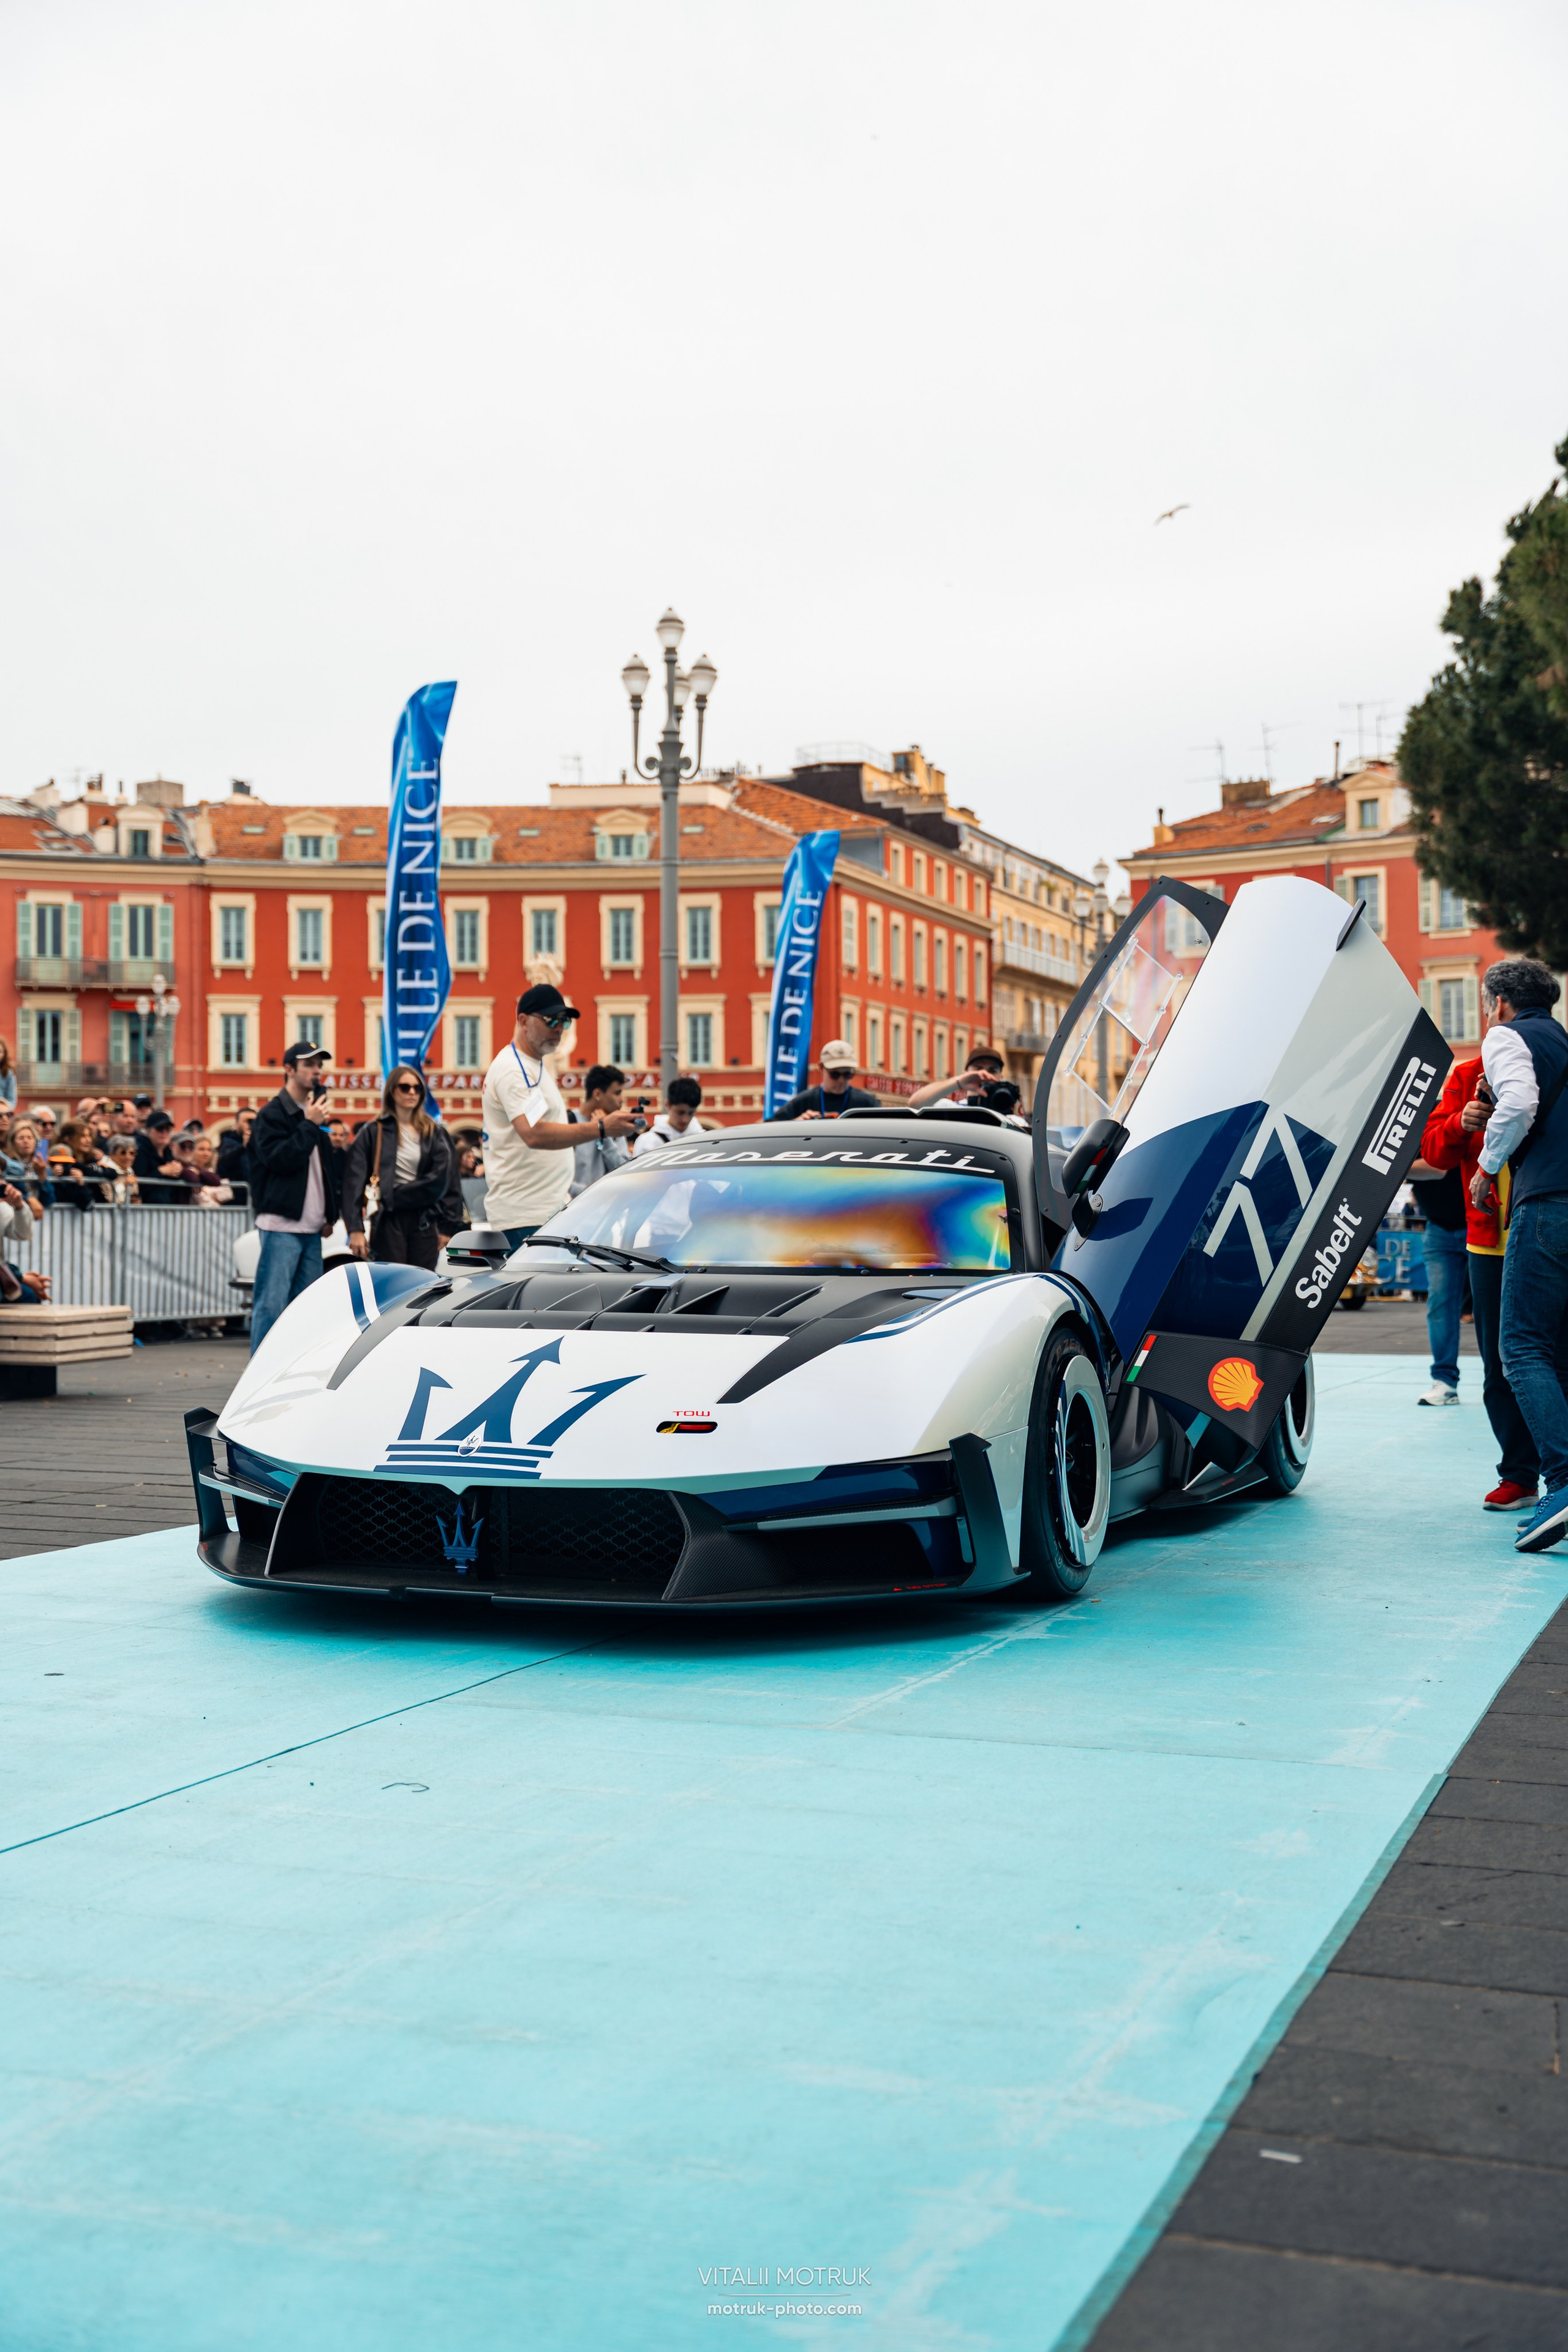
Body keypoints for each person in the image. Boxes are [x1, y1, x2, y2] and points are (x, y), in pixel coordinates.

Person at [1422, 1051, 1568, 1512]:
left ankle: (1556, 1481)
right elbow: (1434, 1151)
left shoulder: (1552, 1070)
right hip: (1491, 1241)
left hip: (1549, 1230)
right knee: (1500, 1366)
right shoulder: (1467, 1076)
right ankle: (1520, 1476)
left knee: (1553, 1359)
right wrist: (1462, 1122)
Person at [1466, 959, 1568, 1553]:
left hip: (1545, 1205)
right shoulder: (1560, 1040)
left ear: (1500, 1003)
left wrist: (1485, 1167)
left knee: (1520, 1348)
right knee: (1557, 1355)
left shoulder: (1506, 1037)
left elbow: (1519, 1103)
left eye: (1486, 1005)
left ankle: (1559, 1482)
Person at [480, 986, 638, 1250]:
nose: (559, 1028)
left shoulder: (531, 1065)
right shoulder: (513, 1070)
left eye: (565, 1021)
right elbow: (533, 1134)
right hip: (527, 1214)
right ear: (523, 1021)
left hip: (541, 1210)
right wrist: (601, 1128)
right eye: (550, 1020)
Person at [247, 1042, 337, 1351]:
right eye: (310, 1065)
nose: (317, 1071)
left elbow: (324, 1170)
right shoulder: (272, 1114)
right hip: (281, 1225)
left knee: (307, 1311)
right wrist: (310, 1125)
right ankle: (256, 1379)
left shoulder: (314, 1113)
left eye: (319, 1065)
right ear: (289, 1070)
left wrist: (330, 1214)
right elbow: (281, 1160)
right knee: (271, 1306)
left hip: (312, 1229)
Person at [344, 1068, 463, 1270]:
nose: (412, 1093)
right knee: (392, 1283)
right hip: (389, 1220)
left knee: (423, 1284)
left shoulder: (435, 1133)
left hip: (425, 1218)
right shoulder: (374, 1131)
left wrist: (448, 1227)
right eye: (405, 1087)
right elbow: (352, 1183)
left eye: (417, 1088)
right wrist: (355, 1229)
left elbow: (448, 1182)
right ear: (392, 1091)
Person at [1407, 1140, 1469, 1408]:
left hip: (1480, 1222)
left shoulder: (1442, 1114)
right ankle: (1445, 1381)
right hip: (1439, 1226)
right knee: (1440, 1307)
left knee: (1499, 1310)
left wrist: (1394, 1170)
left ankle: (1508, 1381)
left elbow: (1438, 1167)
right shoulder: (1414, 1123)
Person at [769, 1042, 882, 1121]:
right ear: (821, 1067)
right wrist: (797, 1123)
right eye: (835, 1074)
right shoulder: (805, 1100)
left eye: (848, 1074)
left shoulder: (868, 1103)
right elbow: (769, 1127)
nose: (841, 1080)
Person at [569, 1064, 635, 1194]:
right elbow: (557, 1177)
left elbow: (624, 1172)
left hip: (607, 1210)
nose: (622, 1100)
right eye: (617, 1093)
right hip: (572, 1210)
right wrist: (588, 1193)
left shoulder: (616, 1128)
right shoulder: (568, 1122)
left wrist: (604, 1134)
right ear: (598, 1094)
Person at [907, 1045, 1009, 1111]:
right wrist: (959, 1083)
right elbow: (915, 1104)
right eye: (978, 1069)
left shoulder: (1013, 1120)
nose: (984, 1075)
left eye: (993, 1070)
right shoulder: (951, 1109)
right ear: (965, 1074)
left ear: (1001, 1077)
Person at [633, 1075, 711, 1155]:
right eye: (680, 1113)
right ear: (668, 1105)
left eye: (691, 1113)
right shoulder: (647, 1143)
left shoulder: (706, 1141)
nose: (685, 1119)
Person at [0, 1036, 15, 1112]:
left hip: (2, 1113)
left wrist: (5, 1110)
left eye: (0, 1052)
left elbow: (12, 1100)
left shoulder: (8, 1073)